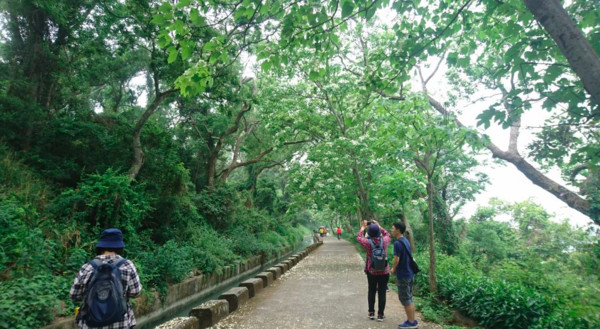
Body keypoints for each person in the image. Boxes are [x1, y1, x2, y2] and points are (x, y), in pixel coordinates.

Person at [70, 228, 142, 329]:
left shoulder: (88, 267)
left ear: (101, 246)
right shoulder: (127, 265)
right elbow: (136, 292)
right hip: (120, 322)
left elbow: (74, 295)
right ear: (120, 246)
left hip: (91, 323)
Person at [356, 220, 391, 322]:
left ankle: (371, 313)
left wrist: (362, 228)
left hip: (371, 271)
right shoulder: (384, 241)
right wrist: (379, 226)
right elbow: (388, 234)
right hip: (384, 271)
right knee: (382, 292)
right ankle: (380, 315)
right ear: (379, 232)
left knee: (371, 291)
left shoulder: (367, 242)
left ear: (369, 233)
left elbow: (358, 237)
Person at [390, 222, 418, 328]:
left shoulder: (397, 243)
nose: (391, 230)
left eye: (393, 228)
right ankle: (412, 320)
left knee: (405, 299)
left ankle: (411, 322)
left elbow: (397, 259)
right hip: (409, 272)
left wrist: (393, 269)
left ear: (398, 230)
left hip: (403, 274)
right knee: (409, 297)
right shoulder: (405, 241)